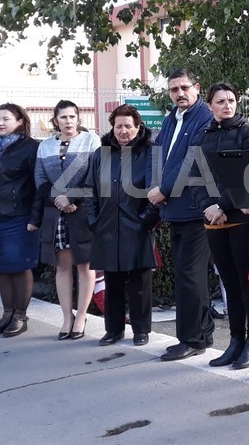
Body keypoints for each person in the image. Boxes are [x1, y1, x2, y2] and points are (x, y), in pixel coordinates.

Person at [192, 82, 249, 369]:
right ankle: (235, 340)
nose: (227, 105)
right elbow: (195, 177)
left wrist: (222, 205)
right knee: (229, 285)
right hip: (213, 220)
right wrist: (207, 208)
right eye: (220, 101)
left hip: (240, 218)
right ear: (210, 106)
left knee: (247, 284)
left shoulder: (248, 133)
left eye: (231, 100)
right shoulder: (202, 136)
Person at [148, 68, 214, 361]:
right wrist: (154, 186)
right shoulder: (170, 119)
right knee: (189, 275)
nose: (180, 94)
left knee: (190, 275)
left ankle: (191, 339)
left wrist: (163, 188)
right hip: (174, 210)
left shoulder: (204, 118)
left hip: (195, 209)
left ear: (197, 87)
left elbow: (193, 159)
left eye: (185, 87)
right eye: (174, 89)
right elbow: (157, 154)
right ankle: (203, 333)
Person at [85, 104, 158, 346]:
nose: (123, 131)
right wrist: (93, 221)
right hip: (106, 226)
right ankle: (113, 330)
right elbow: (90, 190)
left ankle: (141, 330)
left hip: (137, 226)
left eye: (128, 126)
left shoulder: (150, 153)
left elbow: (157, 190)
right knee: (112, 281)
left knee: (140, 282)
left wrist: (146, 221)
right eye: (119, 126)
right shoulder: (101, 154)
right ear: (112, 128)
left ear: (138, 126)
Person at [35, 100, 101, 340]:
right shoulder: (45, 146)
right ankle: (66, 317)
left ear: (78, 118)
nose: (68, 121)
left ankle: (81, 316)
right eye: (63, 117)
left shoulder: (91, 140)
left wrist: (71, 197)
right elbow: (40, 179)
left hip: (83, 210)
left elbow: (96, 175)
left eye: (72, 116)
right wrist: (59, 200)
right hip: (57, 212)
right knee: (63, 265)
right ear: (56, 120)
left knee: (85, 265)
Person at [0, 103, 43, 337]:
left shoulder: (31, 147)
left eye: (6, 119)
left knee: (19, 266)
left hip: (19, 217)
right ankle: (7, 314)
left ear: (20, 121)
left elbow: (39, 185)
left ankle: (20, 316)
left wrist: (35, 218)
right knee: (0, 268)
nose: (0, 123)